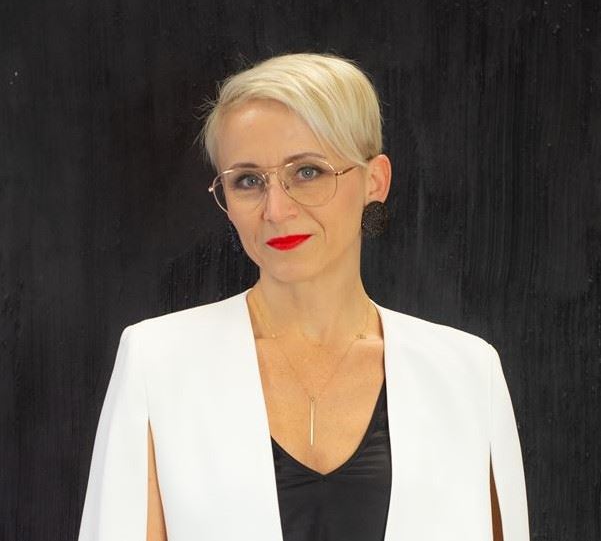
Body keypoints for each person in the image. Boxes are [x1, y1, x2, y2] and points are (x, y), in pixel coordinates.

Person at [77, 53, 529, 541]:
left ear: (375, 181)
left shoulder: (466, 373)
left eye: (308, 172)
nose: (276, 209)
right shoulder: (157, 362)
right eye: (248, 181)